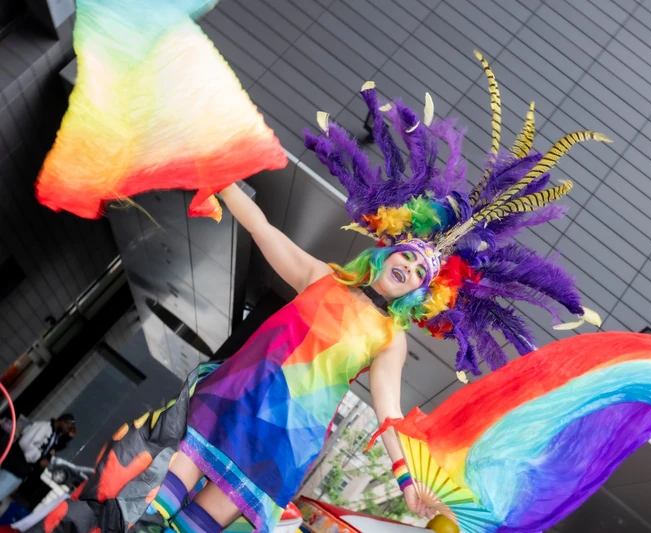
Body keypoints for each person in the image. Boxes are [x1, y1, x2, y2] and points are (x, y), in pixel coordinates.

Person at [36, 54, 605, 533]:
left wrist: (407, 484)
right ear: (386, 253)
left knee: (188, 530)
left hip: (285, 440)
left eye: (420, 271)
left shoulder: (390, 338)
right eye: (406, 255)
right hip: (234, 403)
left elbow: (388, 415)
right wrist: (218, 176)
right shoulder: (323, 277)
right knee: (155, 512)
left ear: (423, 293)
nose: (410, 265)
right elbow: (263, 230)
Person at [0, 414, 77, 502]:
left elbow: (54, 447)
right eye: (68, 427)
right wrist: (39, 459)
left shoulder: (54, 435)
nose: (67, 430)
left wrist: (68, 437)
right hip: (14, 466)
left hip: (22, 471)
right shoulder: (44, 426)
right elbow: (25, 442)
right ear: (63, 421)